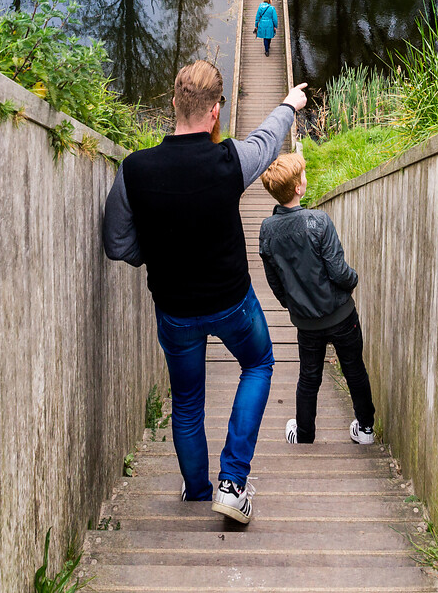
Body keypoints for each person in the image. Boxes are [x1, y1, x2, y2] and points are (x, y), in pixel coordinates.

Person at [103, 60, 309, 525]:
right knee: (259, 363)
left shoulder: (135, 170)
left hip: (175, 311)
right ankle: (232, 483)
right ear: (215, 111)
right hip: (232, 304)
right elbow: (265, 141)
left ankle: (196, 491)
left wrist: (152, 252)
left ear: (174, 102)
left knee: (188, 400)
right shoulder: (229, 162)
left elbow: (117, 244)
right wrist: (288, 106)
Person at [257, 153, 376, 447]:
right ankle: (365, 430)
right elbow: (338, 271)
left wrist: (295, 303)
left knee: (309, 377)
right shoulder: (318, 221)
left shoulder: (267, 231)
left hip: (306, 322)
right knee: (354, 369)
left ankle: (305, 436)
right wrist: (353, 280)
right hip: (341, 315)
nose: (305, 180)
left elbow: (275, 282)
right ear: (298, 188)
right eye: (303, 176)